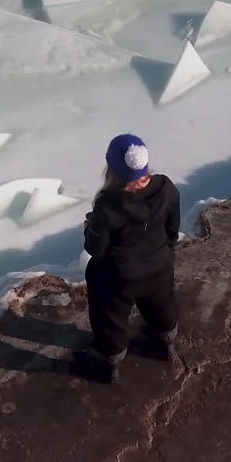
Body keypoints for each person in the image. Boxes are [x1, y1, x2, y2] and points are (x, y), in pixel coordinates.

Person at [75, 134, 181, 384]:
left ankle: (112, 365)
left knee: (110, 317)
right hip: (159, 266)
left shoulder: (107, 206)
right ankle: (168, 345)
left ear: (111, 169)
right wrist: (162, 250)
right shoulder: (166, 188)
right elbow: (173, 228)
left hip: (119, 276)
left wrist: (90, 227)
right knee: (162, 305)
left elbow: (95, 249)